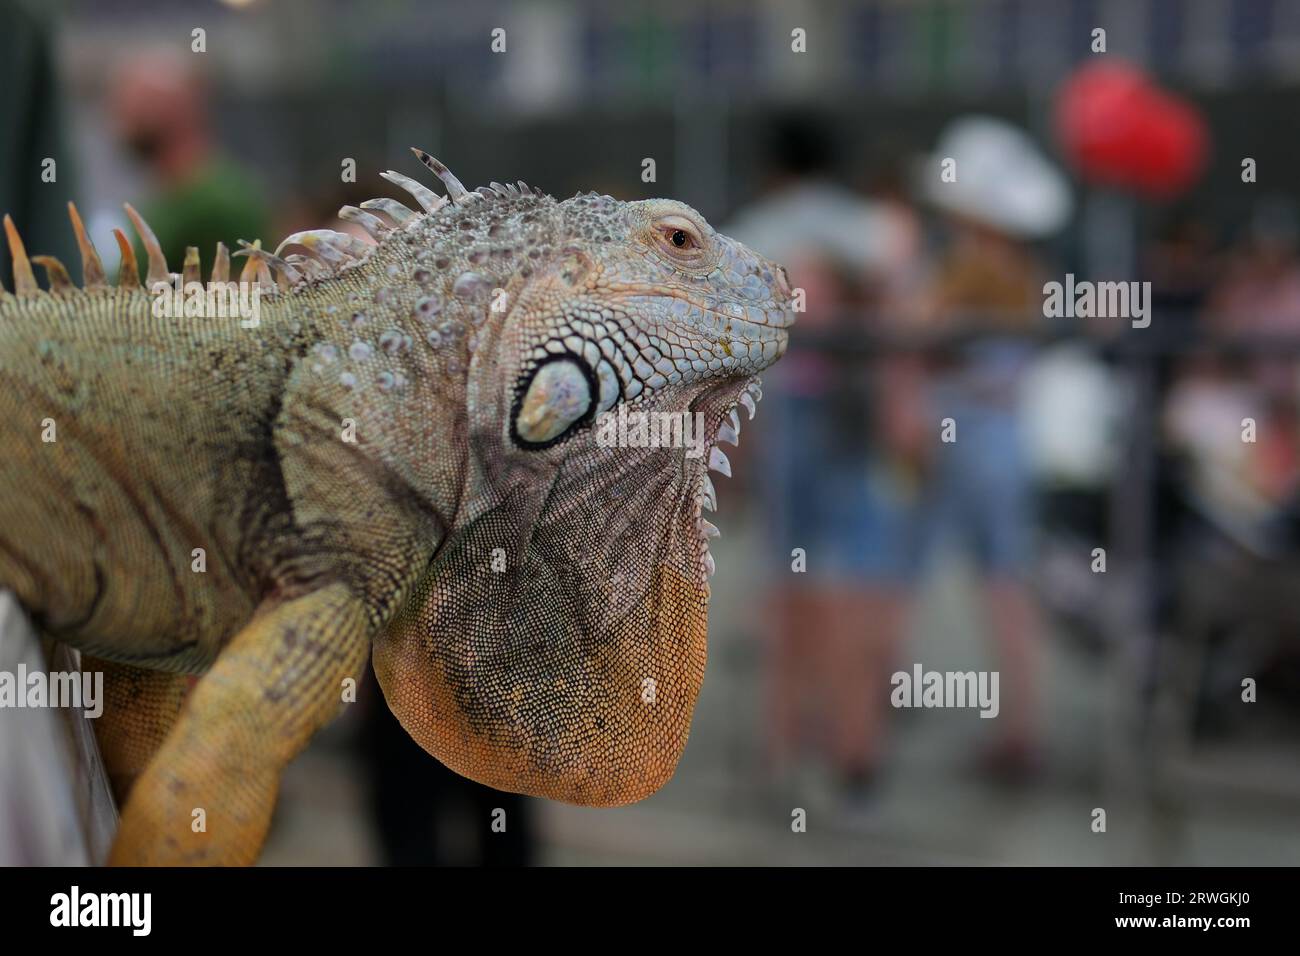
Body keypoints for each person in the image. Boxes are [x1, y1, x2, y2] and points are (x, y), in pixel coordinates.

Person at [109, 50, 268, 281]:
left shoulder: (219, 200)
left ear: (176, 107)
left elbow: (247, 294)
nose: (119, 119)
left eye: (135, 101)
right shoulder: (168, 194)